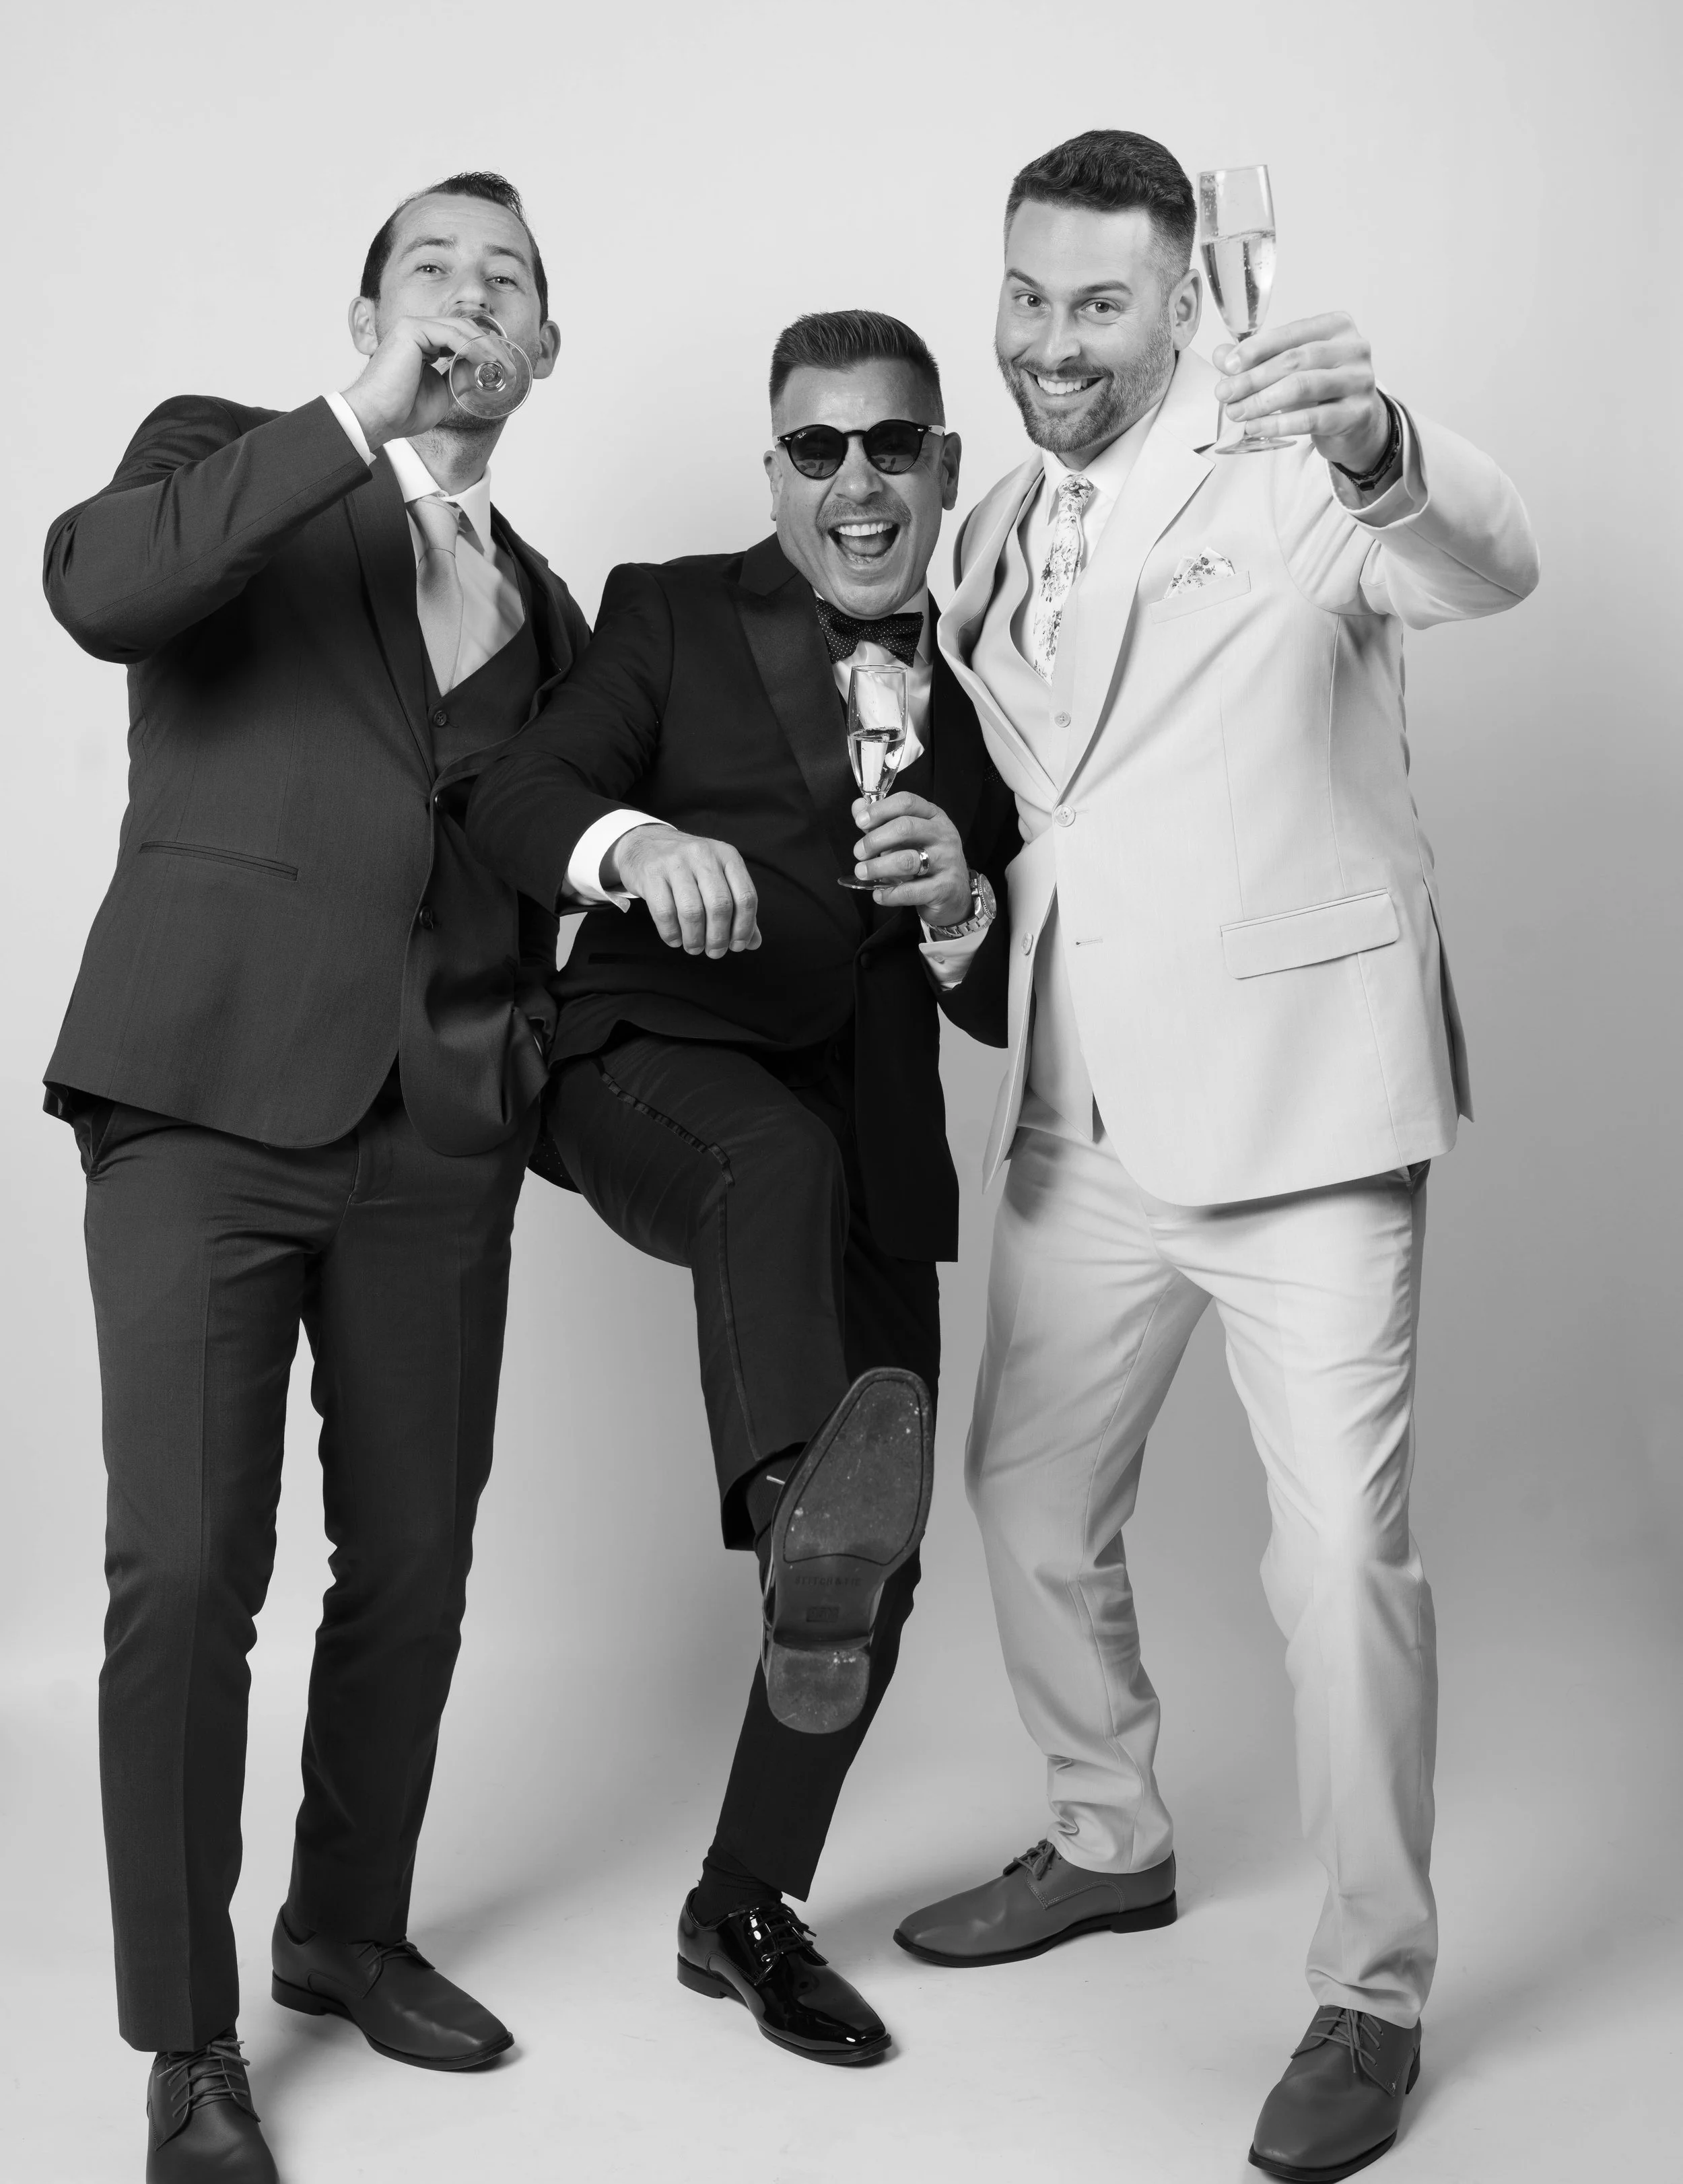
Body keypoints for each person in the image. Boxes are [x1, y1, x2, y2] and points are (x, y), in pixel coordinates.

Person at [892, 131, 1539, 2181]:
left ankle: (1370, 1989)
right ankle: (1109, 1834)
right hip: (1082, 1106)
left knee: (1336, 1558)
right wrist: (979, 930)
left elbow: (1485, 563)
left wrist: (1379, 440)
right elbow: (1066, 804)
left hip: (1301, 1115)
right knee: (1016, 1494)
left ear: (1180, 301)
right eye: (1024, 295)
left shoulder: (1292, 466)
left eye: (1096, 303)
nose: (1049, 341)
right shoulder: (996, 522)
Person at [42, 172, 588, 2183]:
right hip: (198, 1100)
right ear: (365, 311)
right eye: (430, 266)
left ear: (548, 348)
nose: (469, 295)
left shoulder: (551, 603)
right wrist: (355, 411)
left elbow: (548, 858)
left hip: (438, 1136)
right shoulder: (226, 466)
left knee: (419, 1566)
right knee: (186, 1572)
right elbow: (101, 590)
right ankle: (189, 2039)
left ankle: (344, 1925)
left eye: (506, 278)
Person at [465, 309, 1016, 2066]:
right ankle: (798, 1496)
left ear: (943, 465)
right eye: (815, 448)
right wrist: (639, 845)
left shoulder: (1012, 673)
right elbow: (520, 793)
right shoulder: (671, 613)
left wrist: (954, 909)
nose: (855, 481)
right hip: (654, 1053)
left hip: (866, 1123)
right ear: (775, 469)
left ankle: (742, 1904)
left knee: (883, 1567)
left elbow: (1010, 980)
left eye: (890, 446)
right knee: (763, 1176)